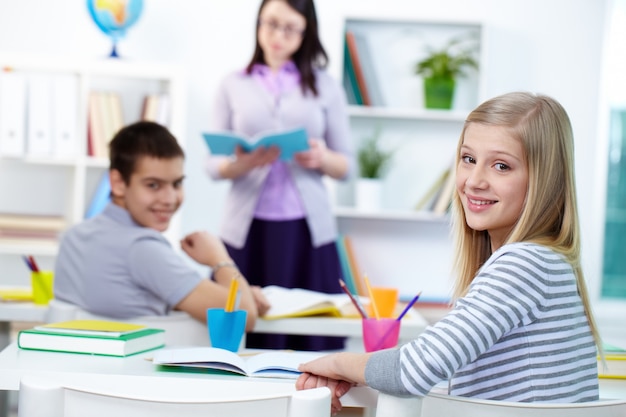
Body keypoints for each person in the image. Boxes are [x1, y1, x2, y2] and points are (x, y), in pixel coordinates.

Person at [296, 92, 602, 413]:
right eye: (468, 159)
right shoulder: (547, 260)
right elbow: (435, 368)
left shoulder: (525, 263)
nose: (474, 181)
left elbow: (411, 371)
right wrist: (361, 372)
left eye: (501, 166)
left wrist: (334, 364)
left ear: (544, 182)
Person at [205, 0, 354, 351]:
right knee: (237, 330)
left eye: (290, 28)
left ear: (306, 33)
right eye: (270, 24)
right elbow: (211, 164)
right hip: (246, 229)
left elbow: (347, 166)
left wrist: (321, 157)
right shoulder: (233, 83)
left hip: (305, 228)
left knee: (311, 333)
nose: (277, 36)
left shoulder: (325, 86)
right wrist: (238, 165)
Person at [54, 121, 269, 331]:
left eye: (176, 183)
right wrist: (220, 259)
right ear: (118, 183)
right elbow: (243, 316)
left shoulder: (74, 236)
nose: (169, 198)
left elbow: (124, 297)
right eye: (153, 185)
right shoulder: (142, 248)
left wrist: (233, 295)